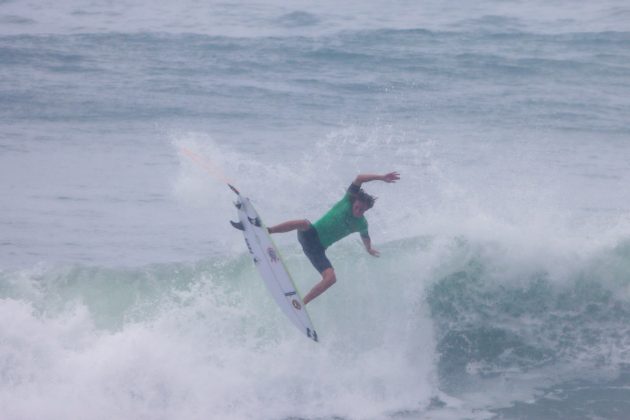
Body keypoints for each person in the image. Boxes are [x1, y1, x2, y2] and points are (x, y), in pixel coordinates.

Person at [267, 172, 400, 305]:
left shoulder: (362, 224)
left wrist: (369, 248)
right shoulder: (347, 200)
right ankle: (268, 231)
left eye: (362, 210)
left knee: (331, 278)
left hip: (318, 250)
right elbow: (360, 178)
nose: (358, 211)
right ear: (354, 202)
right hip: (309, 235)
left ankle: (302, 303)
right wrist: (381, 178)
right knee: (303, 223)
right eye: (357, 207)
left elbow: (365, 237)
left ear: (367, 210)